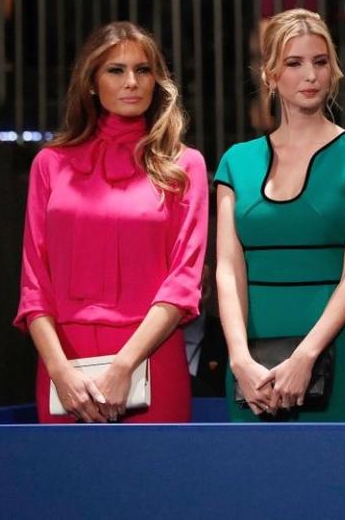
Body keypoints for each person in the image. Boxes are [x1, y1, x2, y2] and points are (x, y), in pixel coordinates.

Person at [14, 21, 208, 423]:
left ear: (156, 80)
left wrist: (125, 366)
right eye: (116, 70)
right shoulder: (50, 164)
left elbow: (184, 281)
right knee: (68, 484)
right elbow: (35, 284)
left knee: (154, 483)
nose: (132, 82)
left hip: (151, 356)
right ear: (91, 81)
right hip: (65, 363)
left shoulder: (183, 166)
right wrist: (59, 370)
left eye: (143, 70)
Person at [215, 8, 345, 422]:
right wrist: (239, 357)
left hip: (337, 349)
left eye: (320, 61)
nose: (311, 75)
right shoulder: (236, 162)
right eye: (294, 63)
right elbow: (227, 268)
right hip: (252, 360)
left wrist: (305, 356)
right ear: (271, 75)